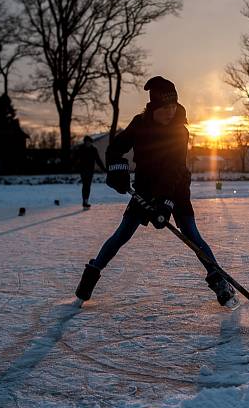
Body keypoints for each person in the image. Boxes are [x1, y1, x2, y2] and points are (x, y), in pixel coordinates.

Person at [73, 76, 237, 308]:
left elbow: (176, 170)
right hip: (145, 188)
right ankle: (89, 280)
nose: (171, 111)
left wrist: (166, 202)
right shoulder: (139, 124)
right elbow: (114, 150)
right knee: (122, 235)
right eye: (165, 106)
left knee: (192, 235)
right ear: (153, 107)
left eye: (173, 105)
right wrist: (118, 171)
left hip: (176, 188)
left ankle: (221, 284)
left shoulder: (180, 131)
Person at [74, 135, 106, 209]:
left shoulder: (93, 149)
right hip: (83, 169)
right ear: (84, 142)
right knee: (86, 185)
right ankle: (85, 202)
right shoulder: (81, 149)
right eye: (86, 142)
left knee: (87, 186)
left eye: (89, 142)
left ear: (91, 142)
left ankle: (85, 201)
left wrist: (103, 168)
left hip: (90, 170)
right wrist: (74, 165)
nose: (88, 143)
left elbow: (98, 160)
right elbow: (75, 158)